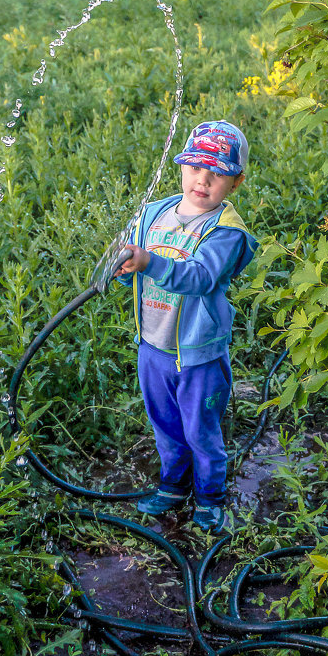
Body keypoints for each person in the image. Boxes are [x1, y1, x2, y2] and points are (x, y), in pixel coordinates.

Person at [113, 120, 258, 534]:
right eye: (195, 167)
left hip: (198, 355)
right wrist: (125, 269)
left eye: (217, 172)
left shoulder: (227, 232)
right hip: (153, 347)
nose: (203, 178)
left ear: (236, 182)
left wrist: (149, 262)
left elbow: (200, 277)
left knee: (201, 431)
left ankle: (211, 498)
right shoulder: (154, 213)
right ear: (182, 168)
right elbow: (135, 269)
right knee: (166, 426)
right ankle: (173, 487)